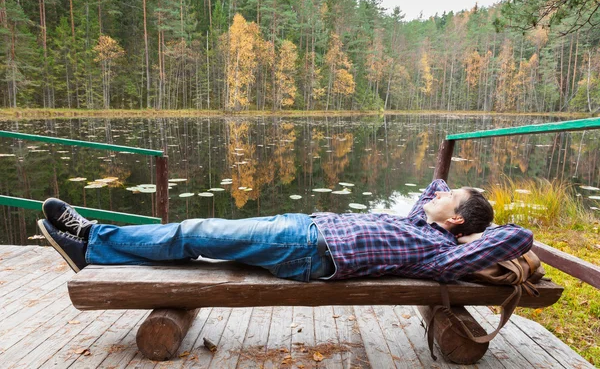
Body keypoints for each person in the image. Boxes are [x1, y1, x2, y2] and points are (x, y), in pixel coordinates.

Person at [37, 179, 533, 283]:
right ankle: (98, 250)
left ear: (457, 222)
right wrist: (452, 206)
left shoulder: (439, 254)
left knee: (194, 233)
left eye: (452, 201)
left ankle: (94, 237)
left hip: (308, 248)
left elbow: (517, 237)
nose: (443, 195)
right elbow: (436, 186)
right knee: (200, 237)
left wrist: (468, 237)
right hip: (303, 228)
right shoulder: (420, 222)